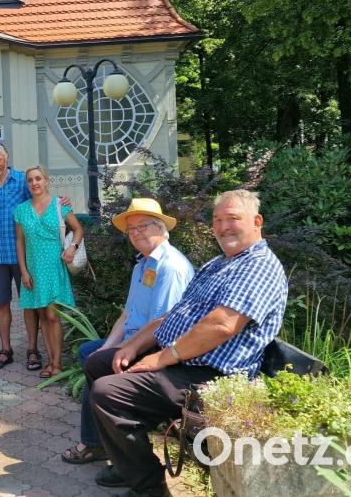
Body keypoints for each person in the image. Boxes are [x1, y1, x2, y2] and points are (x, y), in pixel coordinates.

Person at [86, 190, 288, 497]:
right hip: (183, 360)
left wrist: (162, 358)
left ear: (256, 222)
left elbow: (221, 325)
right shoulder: (218, 264)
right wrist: (133, 345)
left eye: (232, 218)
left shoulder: (258, 265)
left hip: (210, 377)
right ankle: (130, 462)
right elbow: (172, 315)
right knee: (99, 363)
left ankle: (150, 489)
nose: (223, 227)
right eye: (217, 220)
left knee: (108, 393)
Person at [60, 198, 194, 465]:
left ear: (160, 228)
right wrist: (107, 346)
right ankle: (104, 436)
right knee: (90, 352)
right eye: (131, 229)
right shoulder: (143, 265)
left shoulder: (170, 267)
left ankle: (94, 443)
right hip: (136, 341)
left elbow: (161, 326)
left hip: (157, 349)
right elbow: (127, 315)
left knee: (96, 363)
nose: (135, 234)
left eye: (142, 226)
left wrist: (120, 350)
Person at [0, 143, 40, 371]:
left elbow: (40, 200)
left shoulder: (22, 180)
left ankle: (33, 349)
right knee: (1, 304)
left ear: (6, 158)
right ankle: (5, 350)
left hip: (24, 254)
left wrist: (61, 203)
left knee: (29, 304)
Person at [13, 165, 83, 378]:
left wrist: (72, 247)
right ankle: (51, 362)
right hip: (33, 269)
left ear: (46, 181)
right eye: (30, 180)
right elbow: (20, 242)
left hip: (54, 267)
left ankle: (57, 363)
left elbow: (78, 229)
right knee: (42, 315)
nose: (34, 183)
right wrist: (23, 271)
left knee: (53, 315)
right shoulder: (21, 210)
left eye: (38, 178)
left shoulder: (59, 205)